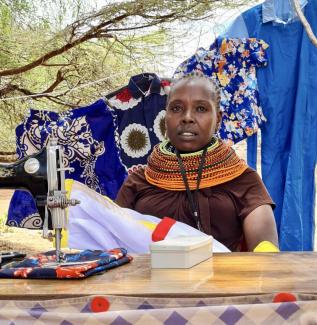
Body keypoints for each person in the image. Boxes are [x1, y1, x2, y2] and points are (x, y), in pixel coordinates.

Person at [116, 74, 279, 252]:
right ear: (166, 116)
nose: (187, 117)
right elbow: (114, 243)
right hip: (149, 279)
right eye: (176, 108)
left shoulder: (244, 179)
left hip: (222, 279)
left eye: (201, 109)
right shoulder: (139, 180)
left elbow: (266, 256)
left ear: (218, 120)